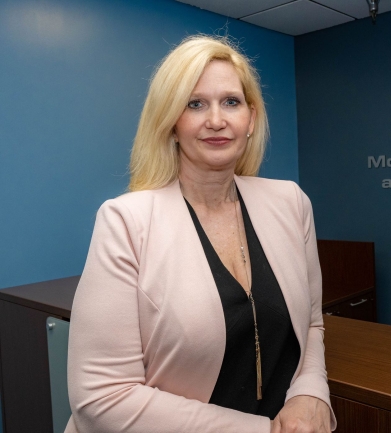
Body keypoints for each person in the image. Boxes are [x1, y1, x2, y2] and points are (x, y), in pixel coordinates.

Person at [65, 35, 335, 433]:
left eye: (231, 102)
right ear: (171, 123)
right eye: (195, 104)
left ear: (251, 119)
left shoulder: (290, 203)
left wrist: (310, 393)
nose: (216, 120)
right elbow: (101, 396)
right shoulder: (125, 221)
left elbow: (312, 323)